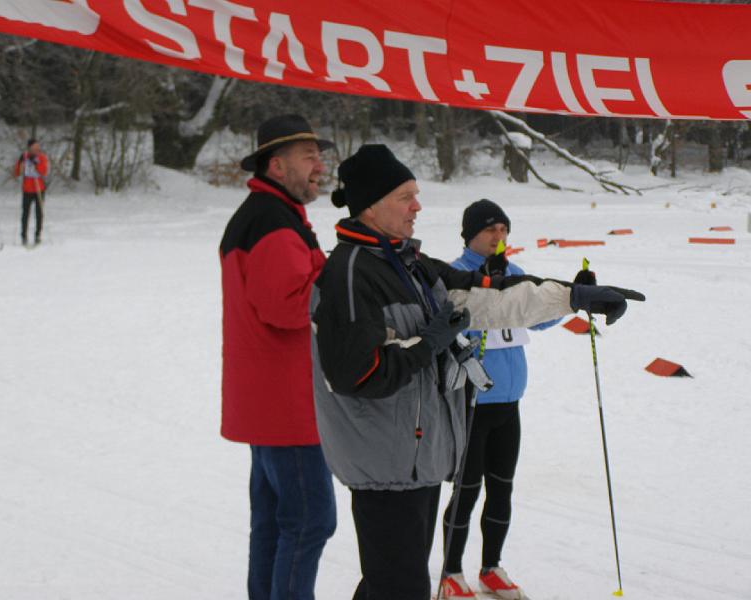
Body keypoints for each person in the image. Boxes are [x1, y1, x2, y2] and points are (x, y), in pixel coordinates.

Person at [310, 144, 643, 600]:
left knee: (391, 586)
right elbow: (357, 374)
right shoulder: (349, 273)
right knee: (399, 588)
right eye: (406, 195)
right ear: (370, 204)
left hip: (415, 457)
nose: (417, 206)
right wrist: (431, 342)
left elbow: (490, 296)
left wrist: (573, 297)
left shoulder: (409, 264)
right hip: (384, 463)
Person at [220, 114, 338, 600]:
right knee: (311, 522)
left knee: (273, 522)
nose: (320, 165)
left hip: (266, 402)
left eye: (319, 155)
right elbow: (286, 305)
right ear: (276, 165)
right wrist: (340, 285)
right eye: (309, 156)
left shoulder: (267, 214)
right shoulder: (271, 221)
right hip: (286, 406)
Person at [439, 200, 563, 600]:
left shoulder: (515, 273)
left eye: (503, 229)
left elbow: (540, 318)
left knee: (502, 487)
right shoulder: (458, 274)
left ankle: (491, 566)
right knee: (467, 489)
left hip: (510, 402)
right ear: (470, 234)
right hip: (473, 400)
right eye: (490, 230)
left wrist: (570, 297)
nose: (499, 237)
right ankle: (450, 571)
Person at [13, 138, 49, 245]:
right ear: (29, 148)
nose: (36, 150)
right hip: (27, 189)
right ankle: (23, 236)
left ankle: (38, 235)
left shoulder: (42, 157)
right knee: (25, 213)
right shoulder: (24, 156)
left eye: (38, 148)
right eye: (34, 148)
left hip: (39, 189)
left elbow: (44, 171)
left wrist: (36, 163)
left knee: (39, 213)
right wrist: (20, 163)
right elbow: (17, 173)